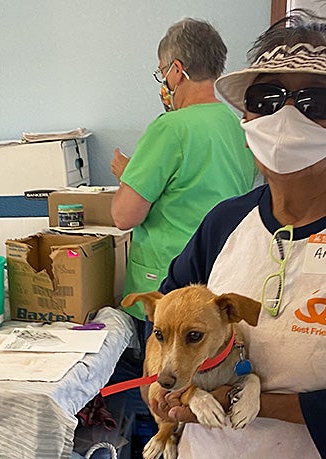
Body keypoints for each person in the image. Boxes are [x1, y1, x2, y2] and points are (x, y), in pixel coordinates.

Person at [146, 9, 326, 459]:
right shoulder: (223, 224)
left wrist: (249, 402)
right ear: (245, 122)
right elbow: (161, 325)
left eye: (316, 104)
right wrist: (157, 387)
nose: (284, 117)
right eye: (266, 99)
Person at [111, 18, 258, 323]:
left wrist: (128, 177)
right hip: (218, 283)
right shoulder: (238, 126)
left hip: (168, 287)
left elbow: (124, 216)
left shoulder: (171, 128)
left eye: (161, 72)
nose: (163, 82)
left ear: (176, 70)